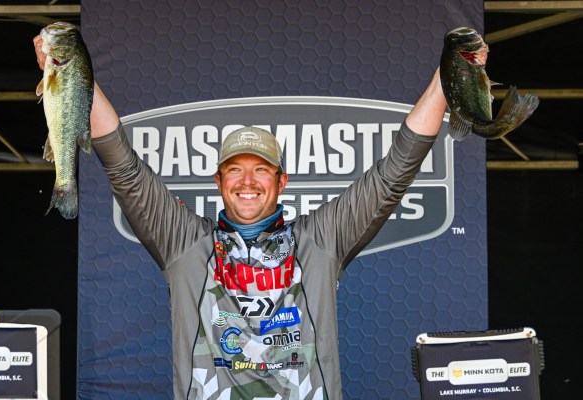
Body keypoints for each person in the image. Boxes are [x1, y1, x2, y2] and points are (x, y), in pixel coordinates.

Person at [34, 34, 447, 400]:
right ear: (219, 180)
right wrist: (71, 73)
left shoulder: (319, 241)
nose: (247, 181)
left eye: (261, 169)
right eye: (235, 169)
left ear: (281, 181)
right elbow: (123, 166)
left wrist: (448, 78)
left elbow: (394, 173)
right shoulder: (184, 243)